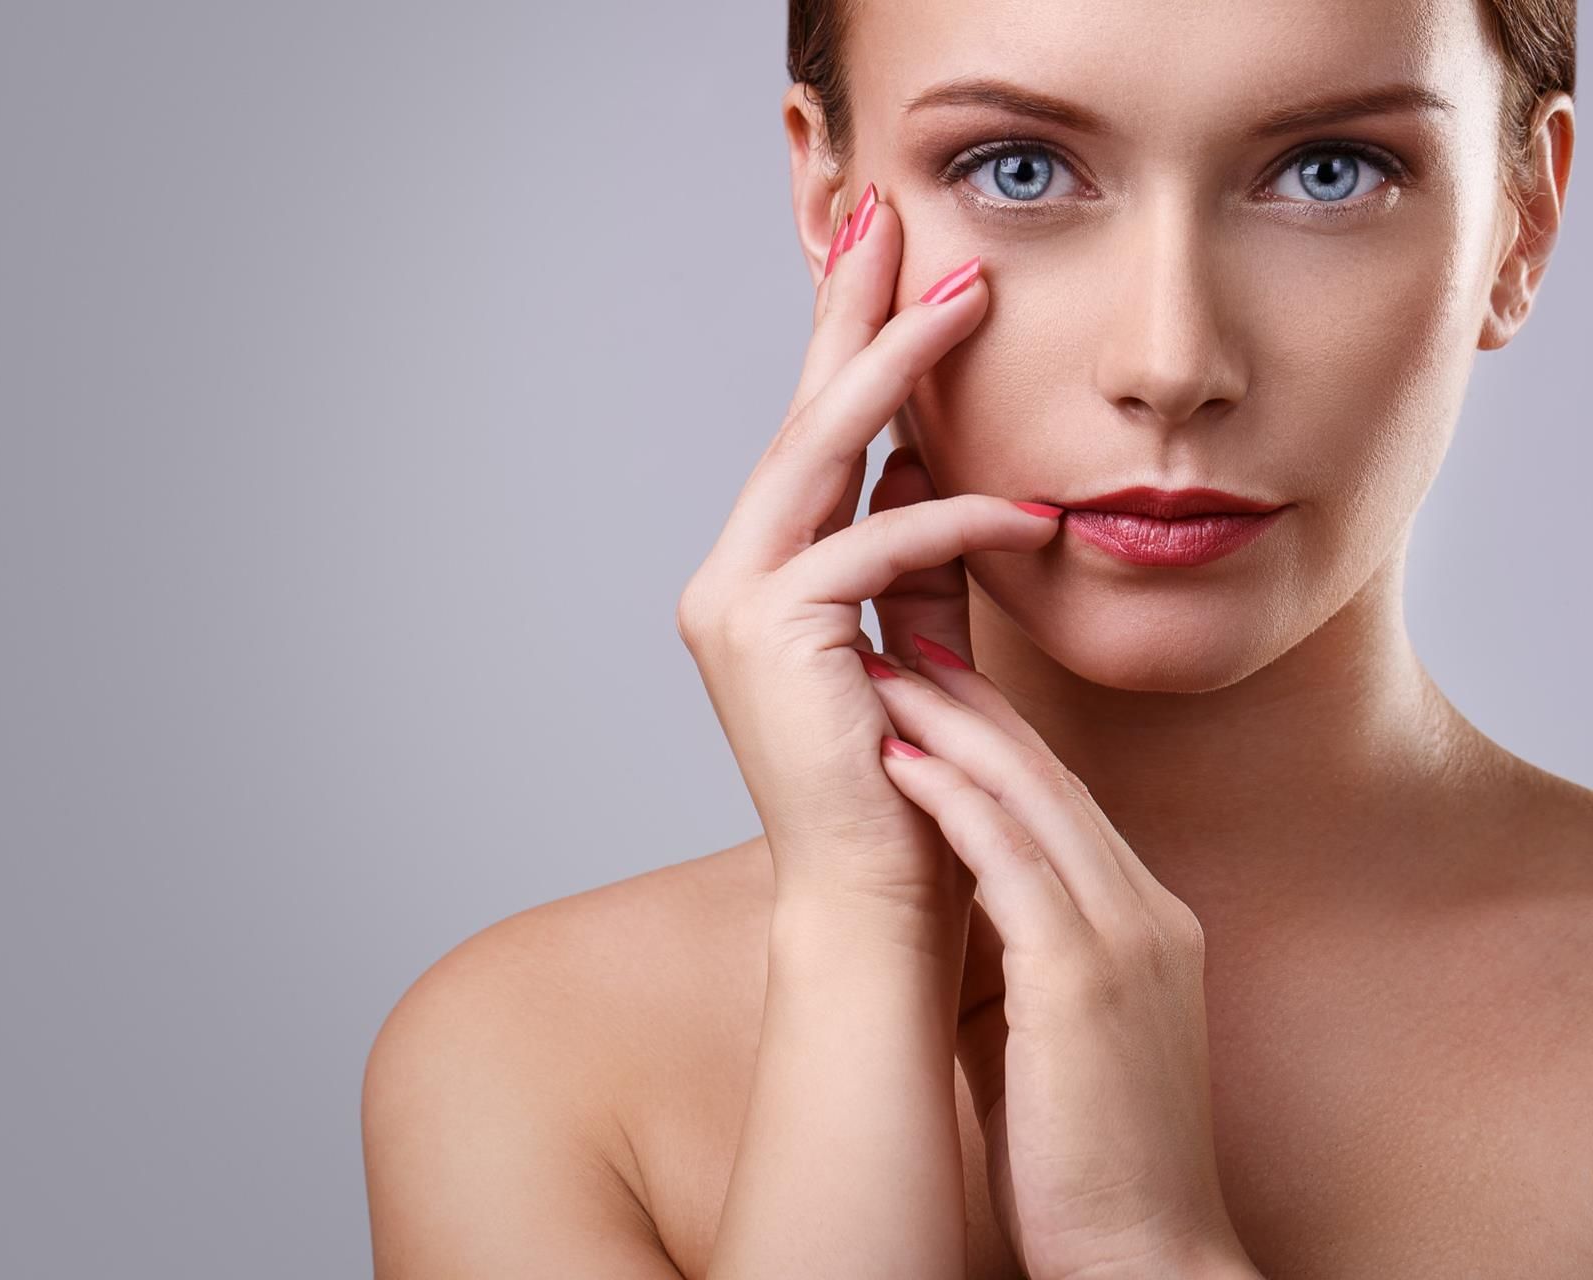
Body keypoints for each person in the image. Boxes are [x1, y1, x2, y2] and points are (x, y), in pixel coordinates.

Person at [362, 0, 1584, 1274]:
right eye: (1019, 168)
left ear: (1522, 222)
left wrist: (1148, 1248)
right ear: (835, 202)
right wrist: (862, 938)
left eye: (1330, 172)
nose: (1170, 362)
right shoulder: (536, 1064)